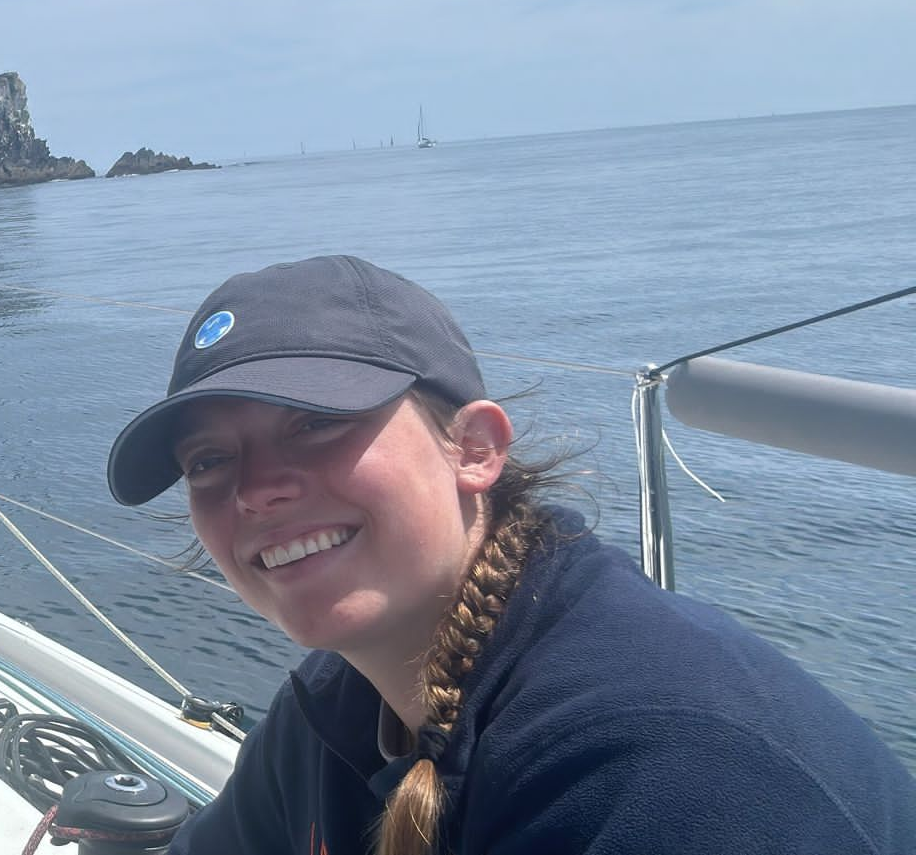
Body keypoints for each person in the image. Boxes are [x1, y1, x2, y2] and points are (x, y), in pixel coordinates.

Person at [105, 255, 916, 854]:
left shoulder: (677, 775)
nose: (255, 491)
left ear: (474, 447)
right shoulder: (339, 708)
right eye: (207, 462)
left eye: (312, 422)